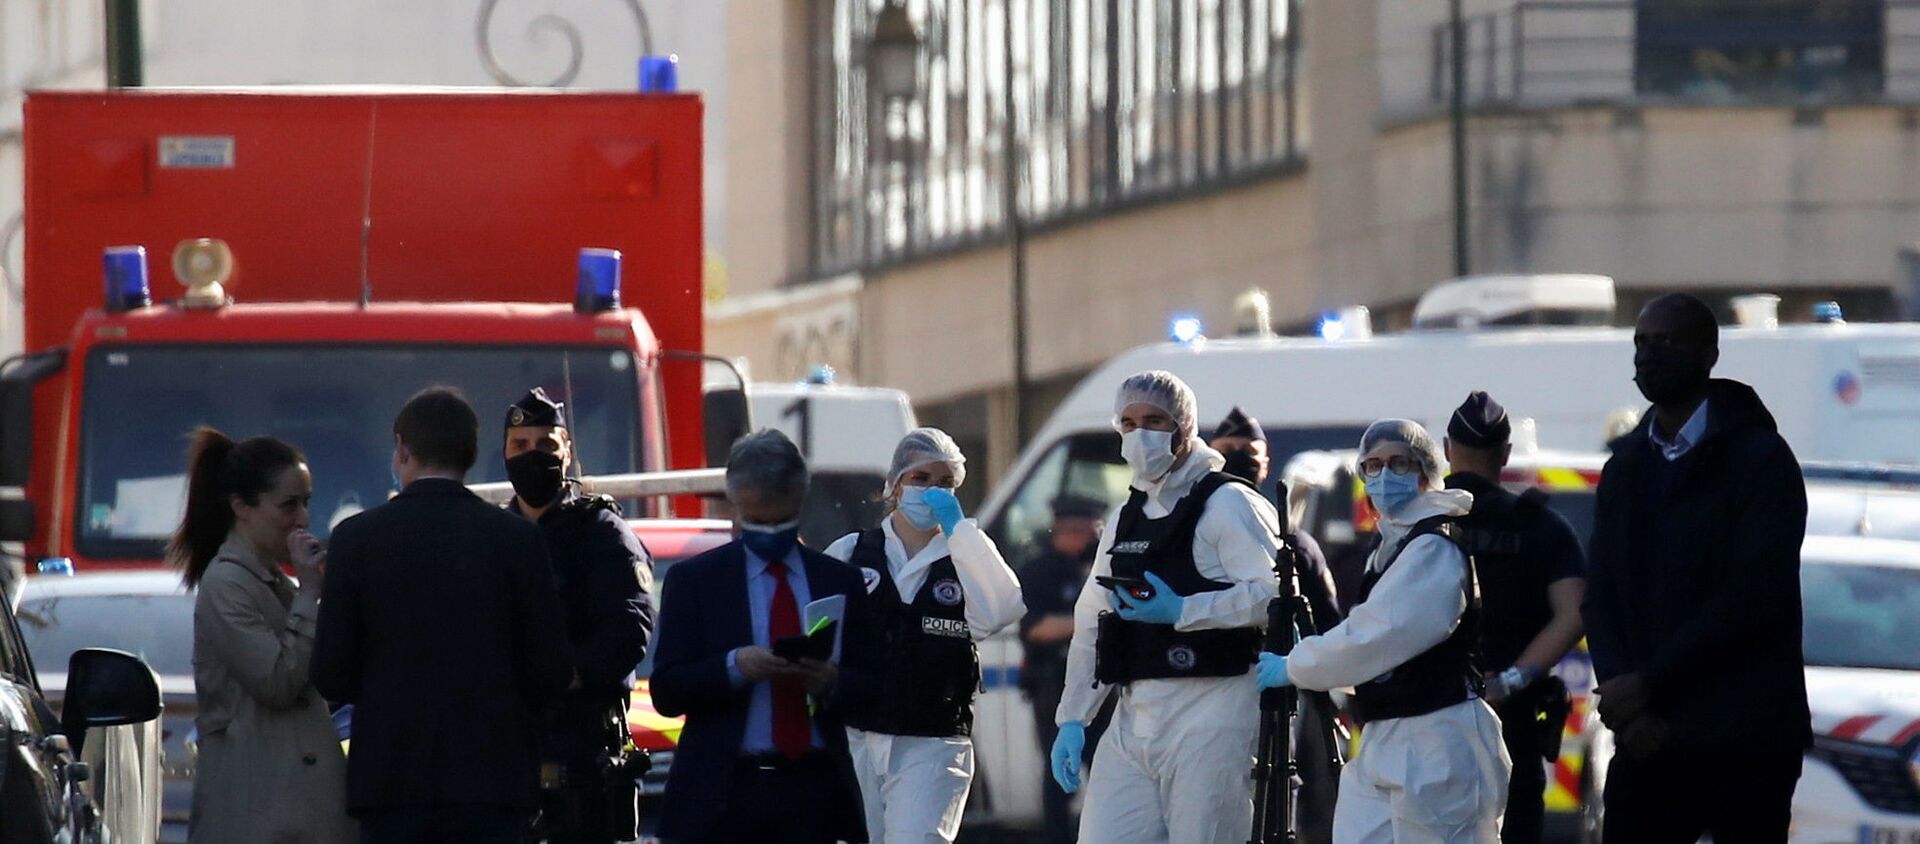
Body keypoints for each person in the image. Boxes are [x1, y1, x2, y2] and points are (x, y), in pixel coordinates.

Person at [1582, 293, 1809, 843]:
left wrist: (1649, 683)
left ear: (1708, 353)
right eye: (1640, 343)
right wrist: (1627, 704)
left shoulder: (1760, 460)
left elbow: (1754, 597)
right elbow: (1601, 594)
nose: (1649, 355)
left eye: (1665, 342)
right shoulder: (1627, 467)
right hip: (1646, 739)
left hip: (1745, 740)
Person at [311, 387, 573, 844]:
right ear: (471, 452)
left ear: (401, 448)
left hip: (391, 783)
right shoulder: (517, 540)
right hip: (493, 782)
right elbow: (549, 671)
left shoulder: (355, 540)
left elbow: (331, 673)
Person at [1049, 371, 1283, 844]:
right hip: (1136, 717)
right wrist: (1074, 716)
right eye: (1129, 423)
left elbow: (1273, 595)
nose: (1140, 435)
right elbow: (1093, 620)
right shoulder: (1125, 517)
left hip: (1212, 713)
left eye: (1155, 421)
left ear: (1184, 427)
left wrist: (1185, 609)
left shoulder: (1228, 504)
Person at [1258, 419, 1510, 844]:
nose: (1384, 475)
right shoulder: (1393, 546)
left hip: (1437, 741)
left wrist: (1298, 665)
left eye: (1399, 463)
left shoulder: (1433, 547)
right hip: (1385, 733)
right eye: (1372, 465)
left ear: (1427, 474)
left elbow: (1377, 636)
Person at [649, 430, 882, 844]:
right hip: (724, 795)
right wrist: (735, 666)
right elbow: (667, 690)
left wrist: (830, 682)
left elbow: (874, 687)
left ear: (800, 501)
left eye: (782, 520)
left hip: (812, 792)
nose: (770, 531)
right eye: (758, 519)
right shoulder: (696, 581)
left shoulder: (837, 580)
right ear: (735, 504)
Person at [823, 427, 1026, 844]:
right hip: (856, 735)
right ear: (895, 485)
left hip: (933, 741)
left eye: (946, 483)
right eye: (921, 479)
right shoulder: (850, 553)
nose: (934, 491)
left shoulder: (966, 556)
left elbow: (1002, 609)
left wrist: (961, 532)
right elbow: (816, 633)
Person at [174, 429, 355, 844]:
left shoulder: (272, 581)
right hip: (257, 814)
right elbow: (277, 681)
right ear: (242, 507)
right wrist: (310, 594)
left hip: (288, 811)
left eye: (306, 502)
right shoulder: (227, 583)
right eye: (288, 505)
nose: (303, 520)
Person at [502, 387, 656, 843]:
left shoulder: (601, 532)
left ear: (567, 452)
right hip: (507, 754)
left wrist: (567, 673)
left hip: (584, 752)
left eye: (547, 444)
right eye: (520, 446)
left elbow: (631, 627)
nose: (534, 456)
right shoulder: (494, 536)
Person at [1441, 392, 1586, 844]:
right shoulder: (1541, 527)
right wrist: (1509, 681)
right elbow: (1573, 614)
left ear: (1448, 449)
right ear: (1505, 453)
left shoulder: (1420, 524)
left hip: (1428, 720)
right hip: (1511, 722)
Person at [1209, 406, 1346, 844]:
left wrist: (1325, 687)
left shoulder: (1293, 543)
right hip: (1215, 690)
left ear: (1266, 462)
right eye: (1226, 450)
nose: (1237, 458)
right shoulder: (1196, 536)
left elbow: (1325, 622)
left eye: (1247, 451)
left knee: (1301, 794)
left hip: (1289, 688)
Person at [1018, 495, 1106, 844]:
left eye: (1090, 531)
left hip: (1105, 689)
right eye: (1076, 531)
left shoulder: (1103, 567)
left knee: (1107, 774)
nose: (1083, 538)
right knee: (1059, 778)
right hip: (1053, 687)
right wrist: (1091, 621)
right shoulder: (1039, 571)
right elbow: (1037, 627)